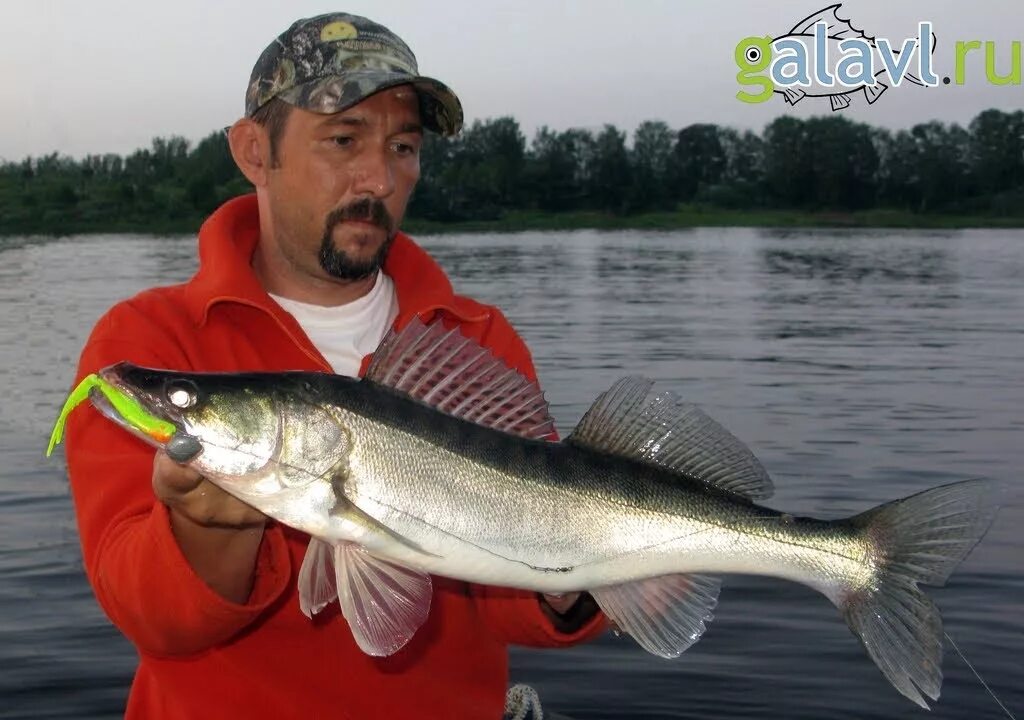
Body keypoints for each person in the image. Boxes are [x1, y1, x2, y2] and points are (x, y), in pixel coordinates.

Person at [65, 12, 603, 720]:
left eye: (404, 146)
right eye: (343, 139)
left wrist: (593, 575)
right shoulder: (149, 341)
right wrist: (210, 529)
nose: (379, 178)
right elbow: (152, 622)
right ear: (255, 151)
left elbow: (510, 609)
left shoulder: (474, 337)